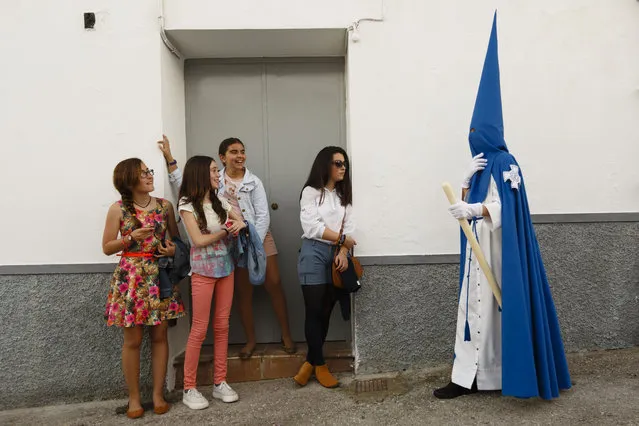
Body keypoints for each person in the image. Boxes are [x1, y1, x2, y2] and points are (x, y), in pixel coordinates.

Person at [433, 13, 571, 400]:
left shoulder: (506, 163)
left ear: (491, 130)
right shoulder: (478, 165)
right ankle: (466, 377)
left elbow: (506, 209)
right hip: (478, 254)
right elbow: (468, 204)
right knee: (470, 312)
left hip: (498, 253)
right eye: (470, 131)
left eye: (478, 131)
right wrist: (463, 184)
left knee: (492, 315)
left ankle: (492, 376)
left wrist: (474, 211)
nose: (473, 137)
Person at [158, 136, 296, 358]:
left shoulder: (254, 181)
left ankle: (287, 335)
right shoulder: (214, 180)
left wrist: (254, 243)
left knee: (274, 283)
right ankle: (250, 340)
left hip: (258, 237)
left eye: (242, 151)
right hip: (232, 240)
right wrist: (170, 159)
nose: (240, 156)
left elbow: (263, 216)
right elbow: (182, 184)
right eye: (234, 152)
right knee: (244, 292)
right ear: (223, 158)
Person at [102, 158, 185, 419]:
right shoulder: (117, 209)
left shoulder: (165, 206)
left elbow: (176, 240)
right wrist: (129, 238)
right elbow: (106, 247)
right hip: (131, 279)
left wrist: (172, 249)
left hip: (159, 277)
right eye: (143, 173)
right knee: (133, 341)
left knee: (160, 337)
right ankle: (134, 398)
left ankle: (158, 394)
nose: (150, 176)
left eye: (149, 171)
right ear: (129, 180)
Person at [178, 156, 246, 409]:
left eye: (218, 171)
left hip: (226, 269)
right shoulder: (187, 205)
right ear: (199, 174)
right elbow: (198, 240)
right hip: (202, 271)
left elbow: (240, 220)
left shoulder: (220, 200)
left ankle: (220, 382)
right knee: (199, 329)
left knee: (222, 326)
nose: (219, 174)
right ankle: (189, 387)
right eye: (214, 171)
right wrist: (227, 231)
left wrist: (237, 222)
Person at [293, 146, 356, 389]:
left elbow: (349, 226)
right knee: (314, 309)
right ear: (325, 165)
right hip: (313, 251)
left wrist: (342, 251)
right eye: (338, 163)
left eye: (344, 164)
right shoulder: (310, 192)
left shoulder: (344, 195)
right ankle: (319, 365)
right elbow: (312, 227)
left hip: (336, 255)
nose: (343, 168)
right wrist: (341, 241)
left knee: (328, 307)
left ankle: (310, 361)